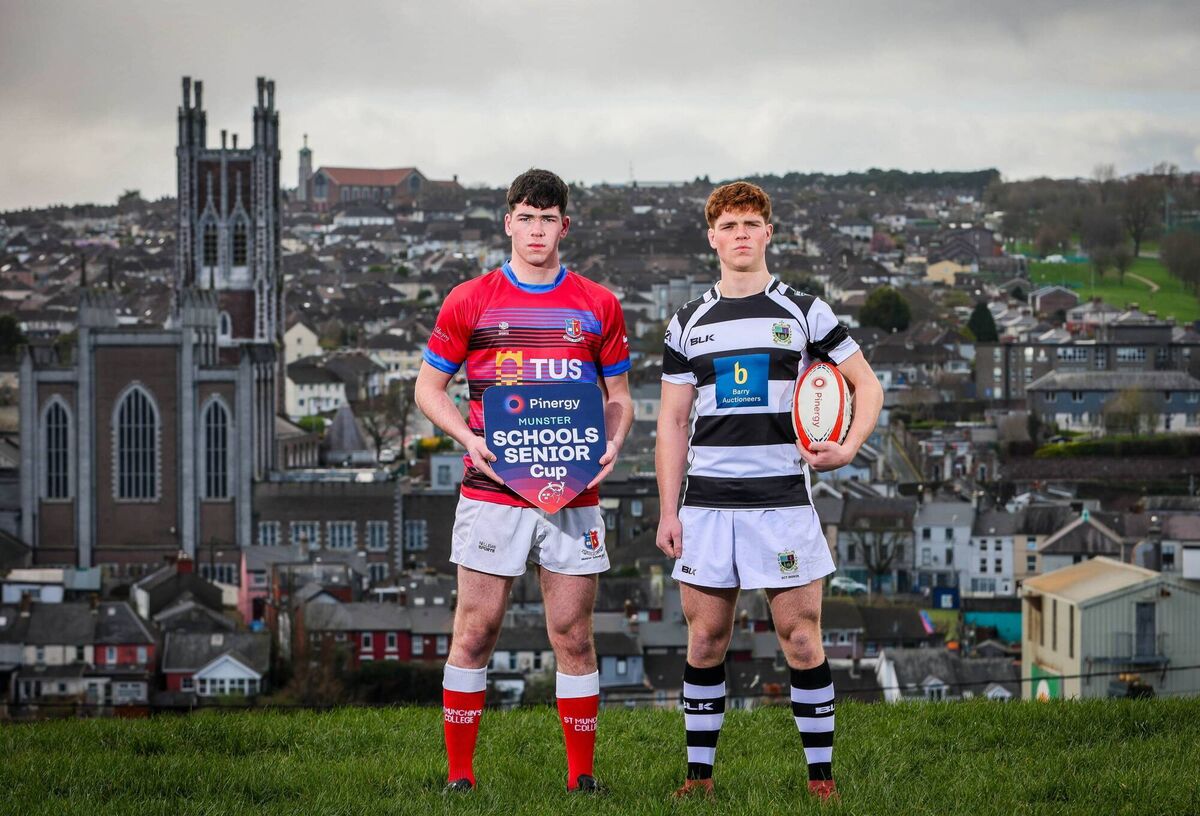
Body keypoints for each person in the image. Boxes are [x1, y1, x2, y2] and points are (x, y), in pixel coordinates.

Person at [655, 181, 883, 802]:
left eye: (752, 224)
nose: (741, 235)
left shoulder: (805, 311)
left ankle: (821, 779)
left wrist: (849, 447)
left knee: (801, 637)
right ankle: (697, 779)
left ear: (768, 233)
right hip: (705, 505)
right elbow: (674, 423)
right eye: (729, 226)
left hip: (782, 501)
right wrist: (666, 511)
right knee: (705, 639)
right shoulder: (685, 323)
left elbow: (868, 386)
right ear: (712, 236)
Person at [415, 168, 633, 793]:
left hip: (574, 489)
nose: (537, 230)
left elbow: (619, 396)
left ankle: (582, 779)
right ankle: (460, 778)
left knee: (572, 634)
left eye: (549, 219)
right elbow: (429, 388)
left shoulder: (598, 304)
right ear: (508, 222)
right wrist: (468, 439)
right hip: (492, 490)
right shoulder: (470, 299)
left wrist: (614, 439)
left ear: (565, 225)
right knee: (476, 630)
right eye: (526, 218)